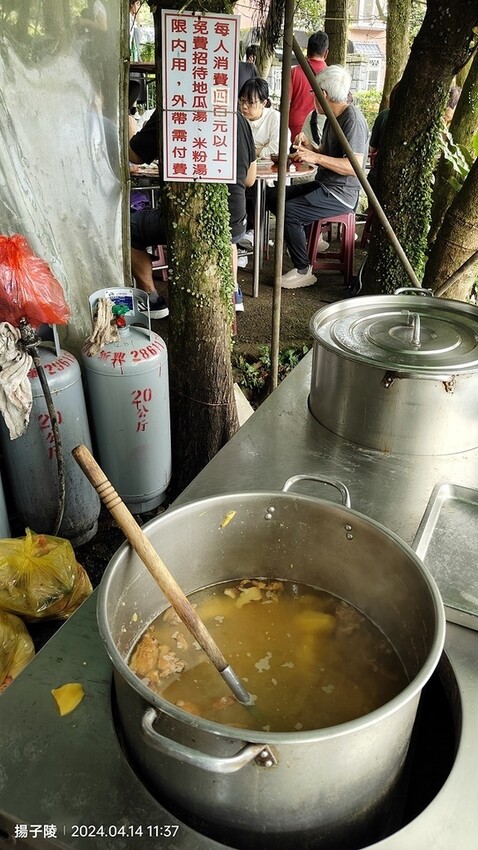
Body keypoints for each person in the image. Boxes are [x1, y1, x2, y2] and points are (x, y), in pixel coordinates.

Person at [128, 110, 256, 316]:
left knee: (128, 228)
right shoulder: (238, 116)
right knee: (226, 230)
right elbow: (250, 179)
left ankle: (152, 300)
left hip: (188, 221)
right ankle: (232, 293)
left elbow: (134, 155)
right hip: (234, 221)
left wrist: (130, 127)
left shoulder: (171, 109)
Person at [267, 65, 369, 289]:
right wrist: (310, 147)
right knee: (273, 196)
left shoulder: (352, 120)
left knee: (289, 211)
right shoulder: (335, 116)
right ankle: (306, 240)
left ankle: (303, 269)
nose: (311, 97)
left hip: (340, 194)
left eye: (313, 93)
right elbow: (327, 154)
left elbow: (354, 167)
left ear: (323, 94)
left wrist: (315, 157)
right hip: (325, 184)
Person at [237, 77, 280, 251]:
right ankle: (242, 236)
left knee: (253, 188)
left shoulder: (275, 118)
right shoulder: (239, 118)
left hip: (270, 180)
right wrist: (260, 148)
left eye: (250, 102)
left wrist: (250, 150)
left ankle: (253, 231)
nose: (244, 106)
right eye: (242, 101)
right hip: (245, 174)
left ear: (264, 102)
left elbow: (277, 149)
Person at [289, 31, 329, 143]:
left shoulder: (294, 72)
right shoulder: (331, 76)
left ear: (307, 50)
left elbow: (286, 102)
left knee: (297, 157)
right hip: (321, 126)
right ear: (326, 53)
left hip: (296, 125)